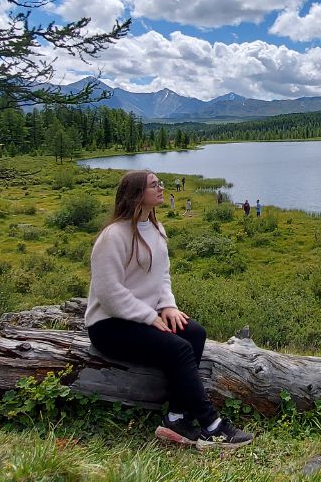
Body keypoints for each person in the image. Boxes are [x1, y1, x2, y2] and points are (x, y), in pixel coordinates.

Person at [85, 170, 253, 448]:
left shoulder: (156, 229)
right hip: (109, 325)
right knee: (179, 348)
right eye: (155, 185)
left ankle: (175, 417)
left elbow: (162, 276)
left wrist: (168, 307)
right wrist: (150, 316)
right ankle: (212, 425)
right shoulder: (113, 236)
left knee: (195, 333)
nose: (161, 188)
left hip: (140, 318)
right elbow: (108, 294)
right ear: (138, 194)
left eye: (160, 183)